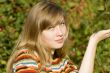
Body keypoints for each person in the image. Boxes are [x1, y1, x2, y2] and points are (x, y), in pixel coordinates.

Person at [6, 1, 110, 73]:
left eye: (62, 24)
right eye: (51, 28)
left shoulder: (60, 61)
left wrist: (93, 41)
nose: (60, 33)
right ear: (36, 32)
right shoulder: (26, 59)